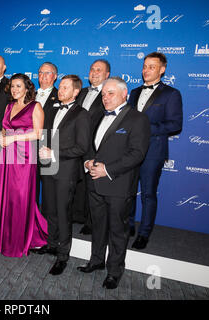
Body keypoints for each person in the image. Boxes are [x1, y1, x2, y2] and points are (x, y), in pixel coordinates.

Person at [78, 77, 150, 289]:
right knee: (98, 226)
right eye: (103, 94)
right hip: (95, 182)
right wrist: (88, 161)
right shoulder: (99, 115)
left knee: (118, 231)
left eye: (110, 93)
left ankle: (114, 271)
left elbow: (137, 154)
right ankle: (96, 260)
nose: (105, 97)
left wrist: (107, 170)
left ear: (124, 94)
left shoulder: (138, 119)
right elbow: (91, 145)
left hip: (118, 184)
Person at [32, 75, 91, 276]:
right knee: (50, 209)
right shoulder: (52, 109)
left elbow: (82, 147)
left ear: (76, 92)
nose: (61, 89)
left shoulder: (82, 114)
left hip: (66, 170)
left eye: (66, 87)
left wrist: (53, 152)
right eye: (61, 86)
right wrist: (42, 149)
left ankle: (63, 256)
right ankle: (51, 244)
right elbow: (44, 135)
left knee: (64, 213)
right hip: (48, 167)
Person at [0, 73, 47, 258]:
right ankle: (5, 237)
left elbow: (37, 134)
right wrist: (3, 136)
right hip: (7, 155)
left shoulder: (35, 106)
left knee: (20, 197)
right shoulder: (9, 106)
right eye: (12, 86)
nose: (14, 90)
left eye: (19, 86)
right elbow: (5, 128)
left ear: (27, 88)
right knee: (7, 196)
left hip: (24, 158)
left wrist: (13, 137)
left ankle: (21, 239)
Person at [128, 52, 183, 250]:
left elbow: (175, 124)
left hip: (153, 151)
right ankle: (128, 226)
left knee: (148, 194)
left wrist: (146, 129)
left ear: (162, 69)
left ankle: (144, 232)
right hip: (130, 151)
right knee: (129, 191)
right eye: (144, 66)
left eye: (152, 66)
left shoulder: (171, 93)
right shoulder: (134, 92)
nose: (146, 70)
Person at [73, 59, 110, 235]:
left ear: (107, 75)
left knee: (93, 186)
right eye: (92, 69)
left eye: (99, 70)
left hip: (95, 145)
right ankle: (77, 214)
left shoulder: (108, 94)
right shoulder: (81, 92)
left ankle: (91, 221)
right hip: (76, 143)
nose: (94, 72)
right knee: (77, 181)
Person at [35, 62, 58, 208]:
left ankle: (47, 224)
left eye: (47, 73)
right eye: (41, 73)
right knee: (31, 186)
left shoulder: (60, 96)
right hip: (29, 146)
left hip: (49, 147)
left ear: (55, 76)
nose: (43, 76)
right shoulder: (29, 95)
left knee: (49, 189)